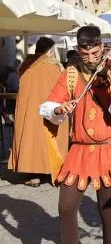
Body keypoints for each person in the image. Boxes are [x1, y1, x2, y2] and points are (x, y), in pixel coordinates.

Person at [39, 25, 111, 244]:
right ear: (78, 50)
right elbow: (48, 105)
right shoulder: (70, 75)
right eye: (86, 55)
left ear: (103, 48)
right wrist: (58, 110)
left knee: (107, 210)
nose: (92, 59)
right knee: (66, 206)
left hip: (107, 150)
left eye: (96, 54)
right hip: (79, 150)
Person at [8, 38, 69, 187]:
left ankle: (34, 175)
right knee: (50, 138)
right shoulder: (54, 67)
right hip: (51, 109)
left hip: (29, 111)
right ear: (49, 50)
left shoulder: (25, 66)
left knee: (32, 140)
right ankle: (53, 171)